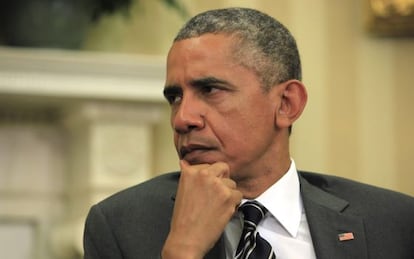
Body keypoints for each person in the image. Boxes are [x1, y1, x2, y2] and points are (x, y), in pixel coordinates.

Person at [83, 7, 414, 259]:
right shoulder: (121, 226)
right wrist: (183, 249)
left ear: (286, 104)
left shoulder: (394, 223)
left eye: (210, 89)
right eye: (175, 97)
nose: (182, 118)